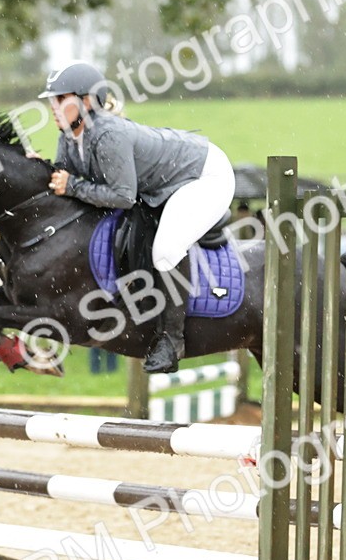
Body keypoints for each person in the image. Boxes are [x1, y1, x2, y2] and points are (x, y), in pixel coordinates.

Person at [38, 61, 236, 373]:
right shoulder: (68, 136)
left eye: (61, 98)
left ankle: (171, 342)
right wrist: (38, 170)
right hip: (169, 182)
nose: (53, 106)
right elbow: (63, 182)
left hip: (205, 176)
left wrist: (72, 185)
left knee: (166, 250)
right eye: (52, 99)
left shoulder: (108, 134)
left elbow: (122, 197)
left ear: (87, 101)